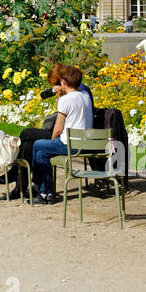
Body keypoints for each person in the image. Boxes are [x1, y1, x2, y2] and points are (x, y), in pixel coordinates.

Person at [28, 65, 95, 202]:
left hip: (70, 145)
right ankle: (46, 193)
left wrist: (52, 142)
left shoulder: (66, 100)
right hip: (87, 142)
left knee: (37, 144)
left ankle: (40, 188)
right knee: (42, 154)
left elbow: (58, 129)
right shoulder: (85, 95)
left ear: (64, 81)